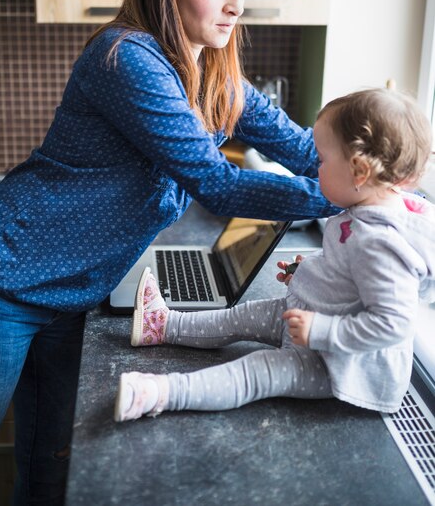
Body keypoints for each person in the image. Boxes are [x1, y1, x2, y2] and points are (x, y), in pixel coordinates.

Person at [0, 0, 338, 505]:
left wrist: (384, 183)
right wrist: (337, 198)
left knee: (49, 470)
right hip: (0, 283)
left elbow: (301, 147)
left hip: (73, 294)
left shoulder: (218, 77)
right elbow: (216, 182)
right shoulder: (128, 59)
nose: (237, 4)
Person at [114, 87, 435, 422]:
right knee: (237, 317)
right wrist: (310, 271)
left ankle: (159, 395)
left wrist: (321, 331)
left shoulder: (382, 242)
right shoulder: (364, 212)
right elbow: (351, 277)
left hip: (337, 363)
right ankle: (164, 326)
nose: (316, 167)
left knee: (257, 371)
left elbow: (392, 324)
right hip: (309, 318)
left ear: (359, 171)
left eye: (323, 160)